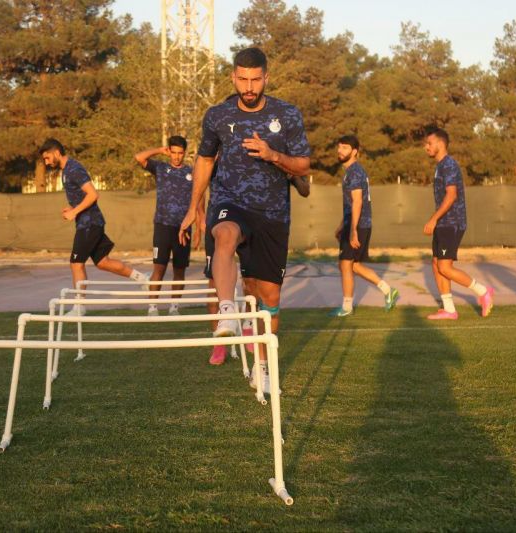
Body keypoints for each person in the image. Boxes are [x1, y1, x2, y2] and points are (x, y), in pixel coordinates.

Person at [179, 47, 311, 390]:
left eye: (255, 80)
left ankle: (262, 367)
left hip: (272, 212)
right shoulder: (217, 115)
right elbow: (205, 160)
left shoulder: (287, 114)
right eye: (242, 79)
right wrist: (194, 206)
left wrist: (273, 154)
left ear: (266, 77)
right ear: (233, 77)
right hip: (230, 201)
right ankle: (227, 311)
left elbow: (303, 165)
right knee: (224, 233)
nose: (249, 87)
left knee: (268, 296)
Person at [39, 138, 148, 316]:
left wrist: (74, 212)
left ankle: (79, 307)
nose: (46, 162)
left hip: (89, 223)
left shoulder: (74, 168)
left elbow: (93, 194)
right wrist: (73, 209)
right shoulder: (65, 170)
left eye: (47, 157)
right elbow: (83, 197)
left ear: (57, 153)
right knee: (103, 262)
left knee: (76, 263)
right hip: (90, 222)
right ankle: (142, 278)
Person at [423, 128, 494, 319]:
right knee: (436, 263)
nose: (426, 147)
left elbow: (452, 195)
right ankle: (449, 309)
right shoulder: (440, 166)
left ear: (440, 144)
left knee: (445, 267)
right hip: (443, 223)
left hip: (452, 222)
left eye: (429, 143)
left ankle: (483, 292)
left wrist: (433, 219)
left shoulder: (449, 165)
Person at [329, 135, 399, 316]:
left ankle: (347, 308)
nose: (340, 150)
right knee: (353, 265)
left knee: (346, 264)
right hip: (355, 223)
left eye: (345, 147)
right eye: (339, 147)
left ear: (354, 152)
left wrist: (353, 230)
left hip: (358, 225)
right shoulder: (351, 171)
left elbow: (358, 202)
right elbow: (351, 204)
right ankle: (388, 290)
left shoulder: (354, 171)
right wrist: (342, 225)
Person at [134, 136, 194, 316]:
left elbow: (198, 200)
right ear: (169, 152)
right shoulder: (160, 168)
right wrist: (159, 150)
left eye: (180, 153)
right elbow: (139, 158)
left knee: (179, 270)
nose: (177, 157)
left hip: (183, 229)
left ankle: (174, 307)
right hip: (162, 226)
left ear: (184, 153)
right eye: (173, 152)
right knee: (159, 268)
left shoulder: (191, 172)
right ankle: (153, 307)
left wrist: (198, 225)